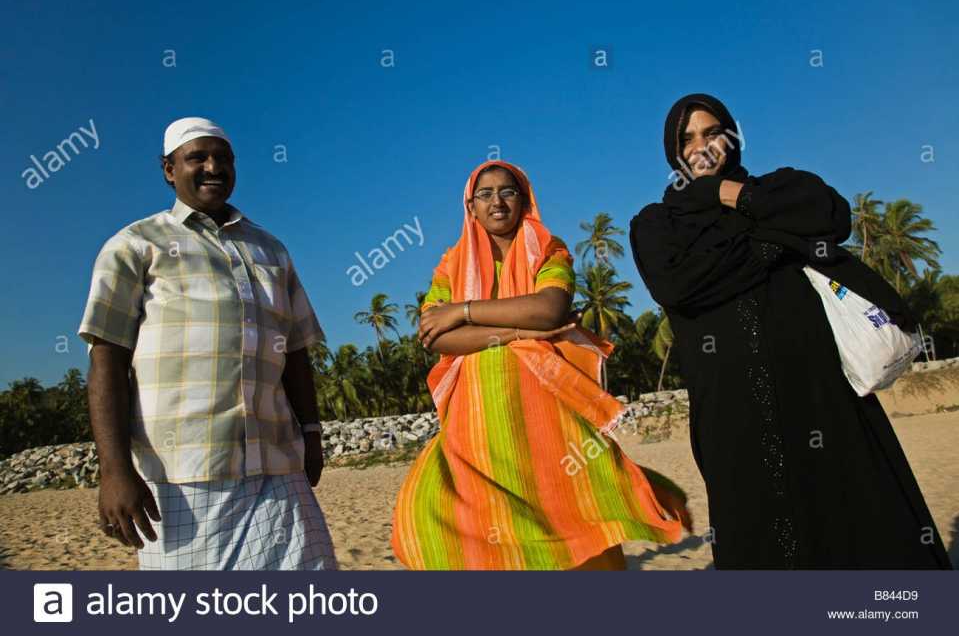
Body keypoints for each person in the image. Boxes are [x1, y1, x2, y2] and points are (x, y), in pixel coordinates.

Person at [629, 93, 952, 569]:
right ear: (672, 150)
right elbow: (680, 286)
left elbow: (832, 217)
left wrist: (730, 195)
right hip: (730, 409)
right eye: (687, 138)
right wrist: (777, 240)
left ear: (731, 136)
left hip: (822, 391)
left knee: (855, 519)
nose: (701, 147)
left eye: (712, 132)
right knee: (757, 532)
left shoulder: (780, 187)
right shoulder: (657, 224)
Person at [391, 159, 691, 570]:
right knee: (449, 524)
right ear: (471, 206)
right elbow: (436, 336)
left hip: (547, 420)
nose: (497, 201)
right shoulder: (451, 264)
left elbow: (548, 310)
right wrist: (518, 333)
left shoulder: (550, 251)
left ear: (524, 199)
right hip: (474, 428)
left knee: (574, 515)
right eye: (485, 193)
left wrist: (461, 311)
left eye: (507, 191)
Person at [78, 117, 338, 570]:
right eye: (197, 157)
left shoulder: (270, 249)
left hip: (277, 469)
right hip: (183, 478)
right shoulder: (135, 245)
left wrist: (311, 435)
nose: (212, 167)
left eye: (223, 158)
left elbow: (294, 352)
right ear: (168, 169)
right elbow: (107, 361)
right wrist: (115, 470)